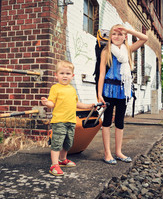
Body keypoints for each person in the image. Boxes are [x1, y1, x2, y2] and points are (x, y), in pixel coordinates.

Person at [97, 24, 148, 164]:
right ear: (110, 37)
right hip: (108, 89)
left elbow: (145, 38)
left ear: (125, 36)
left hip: (123, 90)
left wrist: (129, 30)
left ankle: (118, 152)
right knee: (107, 121)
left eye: (120, 34)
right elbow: (101, 74)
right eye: (114, 34)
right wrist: (99, 94)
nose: (117, 37)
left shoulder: (128, 50)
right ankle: (107, 153)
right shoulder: (106, 51)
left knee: (120, 121)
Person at [41, 60, 94, 176]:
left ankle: (62, 159)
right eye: (62, 73)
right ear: (56, 75)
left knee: (68, 143)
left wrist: (89, 106)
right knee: (57, 143)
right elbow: (52, 103)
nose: (65, 76)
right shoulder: (55, 88)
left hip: (71, 121)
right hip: (59, 121)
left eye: (68, 73)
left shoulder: (72, 89)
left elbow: (76, 104)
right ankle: (54, 165)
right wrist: (46, 103)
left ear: (72, 76)